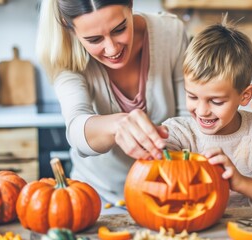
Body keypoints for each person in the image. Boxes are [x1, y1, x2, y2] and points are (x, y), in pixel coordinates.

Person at [36, 0, 189, 204]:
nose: (111, 49)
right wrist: (117, 125)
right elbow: (76, 128)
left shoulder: (170, 33)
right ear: (70, 28)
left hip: (172, 190)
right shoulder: (66, 57)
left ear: (131, 5)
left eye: (120, 29)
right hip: (98, 200)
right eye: (94, 39)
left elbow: (188, 118)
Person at [162, 17, 252, 214]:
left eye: (216, 101)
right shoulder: (178, 132)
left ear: (244, 96)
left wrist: (240, 182)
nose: (202, 110)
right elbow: (156, 168)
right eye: (192, 96)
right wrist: (154, 147)